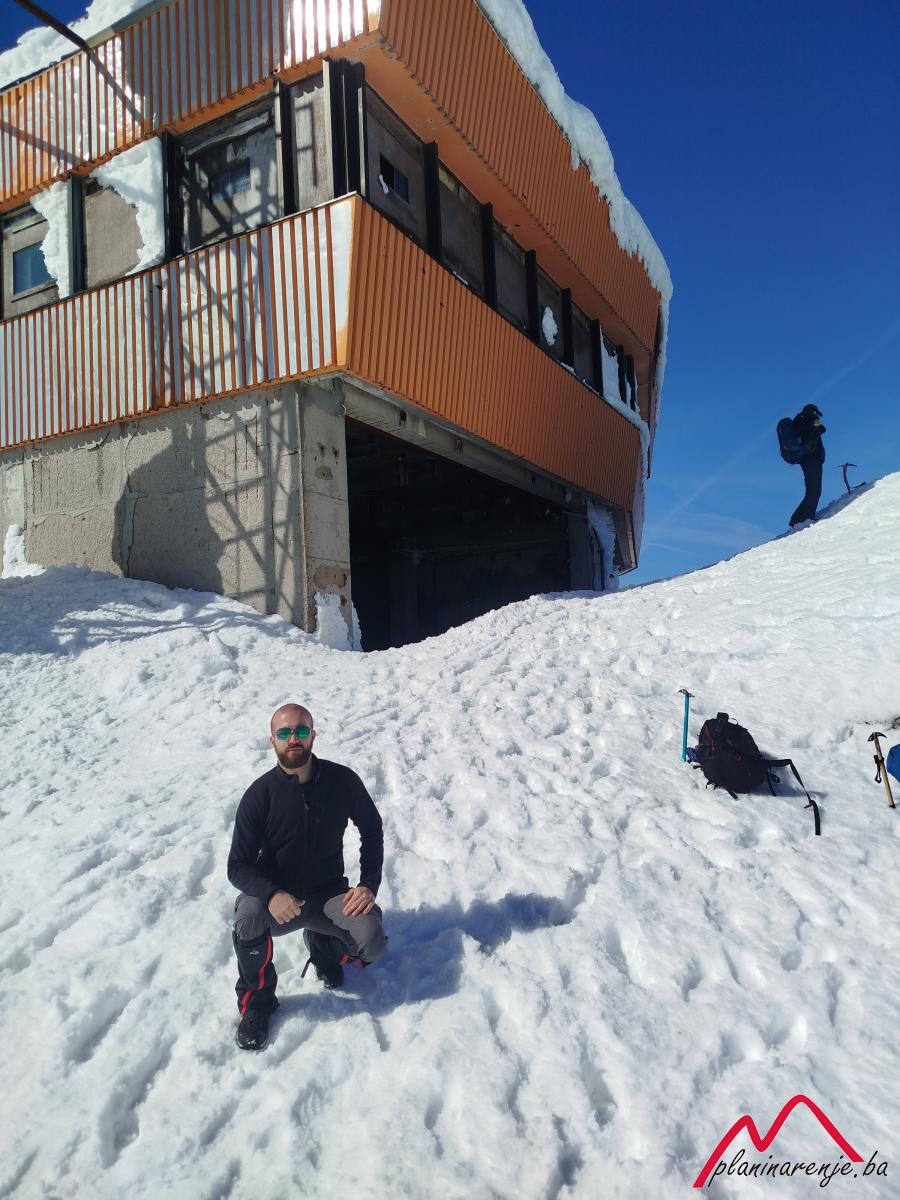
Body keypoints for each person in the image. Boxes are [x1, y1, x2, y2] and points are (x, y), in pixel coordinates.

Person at [227, 702, 386, 1051]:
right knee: (248, 917)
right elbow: (237, 865)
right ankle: (258, 1003)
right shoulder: (259, 795)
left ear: (313, 735)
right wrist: (271, 893)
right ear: (272, 740)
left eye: (301, 730)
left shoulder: (342, 781)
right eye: (284, 732)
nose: (293, 739)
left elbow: (372, 828)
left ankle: (323, 945)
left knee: (372, 940)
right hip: (278, 903)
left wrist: (368, 884)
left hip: (328, 895)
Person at [789, 404, 826, 527]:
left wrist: (815, 424)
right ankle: (805, 518)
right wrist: (812, 424)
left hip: (814, 459)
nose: (817, 417)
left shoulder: (808, 423)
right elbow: (798, 430)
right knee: (814, 490)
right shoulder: (800, 421)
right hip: (810, 459)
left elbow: (823, 429)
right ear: (810, 413)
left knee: (814, 490)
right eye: (815, 414)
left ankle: (797, 518)